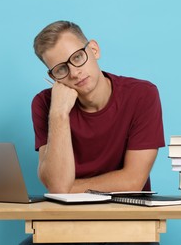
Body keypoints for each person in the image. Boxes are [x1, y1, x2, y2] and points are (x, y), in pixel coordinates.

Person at [23, 20, 165, 244]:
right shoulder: (44, 104)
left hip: (128, 224)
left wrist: (70, 189)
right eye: (61, 69)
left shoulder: (142, 95)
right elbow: (58, 186)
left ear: (94, 50)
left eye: (77, 57)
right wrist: (59, 113)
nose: (74, 72)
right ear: (53, 78)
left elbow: (132, 181)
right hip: (66, 225)